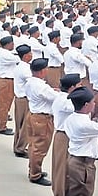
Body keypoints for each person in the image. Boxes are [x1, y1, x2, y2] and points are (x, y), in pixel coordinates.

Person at [24, 58, 59, 186]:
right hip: (42, 118)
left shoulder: (30, 82)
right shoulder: (41, 86)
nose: (47, 70)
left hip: (33, 115)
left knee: (34, 145)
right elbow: (55, 98)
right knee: (40, 147)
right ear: (41, 71)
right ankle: (35, 174)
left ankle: (33, 169)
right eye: (46, 68)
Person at [50, 74, 82, 196]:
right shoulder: (65, 101)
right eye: (79, 85)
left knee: (67, 167)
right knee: (61, 168)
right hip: (64, 135)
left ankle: (65, 195)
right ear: (72, 87)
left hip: (68, 135)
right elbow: (77, 108)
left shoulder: (65, 98)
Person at [0, 36, 19, 135]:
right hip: (7, 81)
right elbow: (18, 59)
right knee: (4, 105)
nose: (13, 45)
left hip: (7, 80)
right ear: (8, 44)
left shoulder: (4, 52)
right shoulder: (5, 54)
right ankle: (2, 127)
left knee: (5, 104)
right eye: (12, 43)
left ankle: (2, 120)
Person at [13, 44, 32, 158]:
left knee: (19, 124)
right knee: (25, 125)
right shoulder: (25, 69)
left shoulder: (20, 66)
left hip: (19, 98)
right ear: (25, 56)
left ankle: (17, 146)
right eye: (29, 53)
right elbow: (32, 81)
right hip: (24, 99)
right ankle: (20, 148)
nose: (31, 55)